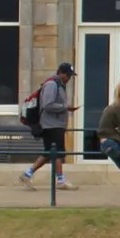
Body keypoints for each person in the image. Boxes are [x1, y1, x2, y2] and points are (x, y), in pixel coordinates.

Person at [21, 62, 77, 191]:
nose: (69, 79)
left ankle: (27, 175)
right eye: (67, 75)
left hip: (55, 124)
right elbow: (48, 104)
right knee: (56, 153)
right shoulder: (52, 84)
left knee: (50, 153)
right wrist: (65, 107)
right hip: (51, 125)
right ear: (61, 73)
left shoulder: (59, 85)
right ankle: (60, 180)